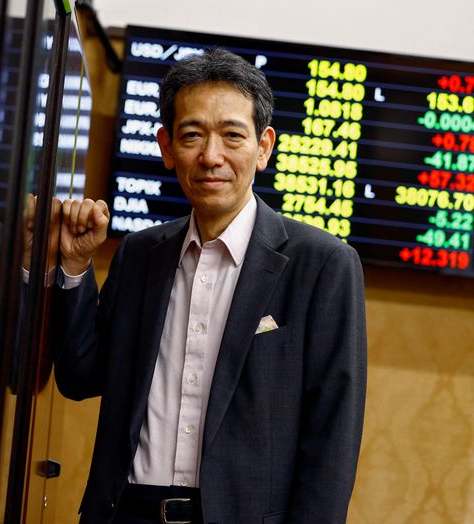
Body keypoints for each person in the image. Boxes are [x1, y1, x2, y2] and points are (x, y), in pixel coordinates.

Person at [50, 48, 367, 523]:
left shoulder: (323, 265)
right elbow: (79, 377)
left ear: (263, 148)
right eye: (192, 135)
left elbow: (332, 435)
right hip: (126, 512)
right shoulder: (141, 253)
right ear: (166, 146)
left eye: (232, 136)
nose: (211, 156)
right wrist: (74, 268)